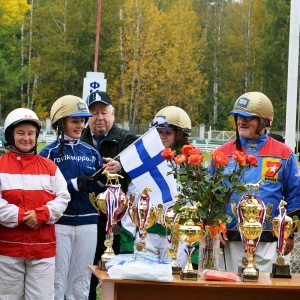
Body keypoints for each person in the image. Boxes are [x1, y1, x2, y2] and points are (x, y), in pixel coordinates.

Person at [215, 91, 300, 273]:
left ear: (265, 122)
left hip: (272, 240)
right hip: (231, 238)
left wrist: (289, 234)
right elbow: (213, 195)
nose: (241, 121)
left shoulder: (284, 154)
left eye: (249, 118)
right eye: (239, 117)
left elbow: (295, 195)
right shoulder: (222, 153)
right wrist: (215, 224)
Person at [39, 95, 105, 300]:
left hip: (88, 223)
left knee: (81, 281)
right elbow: (42, 191)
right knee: (56, 281)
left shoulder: (92, 152)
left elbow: (98, 189)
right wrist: (73, 184)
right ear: (61, 122)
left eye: (82, 121)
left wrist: (103, 181)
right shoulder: (47, 154)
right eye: (74, 121)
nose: (80, 125)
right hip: (59, 224)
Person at [0, 108, 70, 300]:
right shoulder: (0, 165)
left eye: (31, 133)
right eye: (20, 133)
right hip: (8, 250)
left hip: (42, 249)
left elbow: (63, 197)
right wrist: (22, 216)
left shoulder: (49, 167)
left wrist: (42, 214)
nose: (26, 138)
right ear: (10, 135)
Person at [81, 90, 137, 300]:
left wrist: (122, 167)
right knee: (84, 273)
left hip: (116, 221)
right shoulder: (79, 138)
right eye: (94, 113)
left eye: (103, 112)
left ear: (113, 113)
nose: (99, 118)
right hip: (84, 217)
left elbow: (140, 171)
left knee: (114, 275)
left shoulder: (128, 140)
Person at [120, 106, 192, 267]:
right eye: (159, 132)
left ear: (180, 135)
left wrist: (194, 248)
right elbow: (133, 204)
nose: (162, 137)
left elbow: (195, 207)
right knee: (145, 286)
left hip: (177, 236)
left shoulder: (192, 164)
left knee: (174, 287)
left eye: (168, 133)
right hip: (147, 235)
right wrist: (126, 243)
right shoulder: (144, 161)